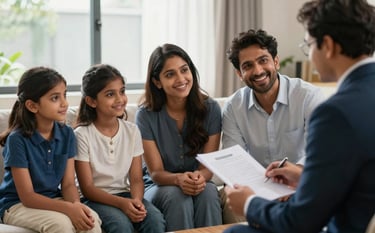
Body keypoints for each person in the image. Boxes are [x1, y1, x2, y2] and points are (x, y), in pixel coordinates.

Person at [224, 0, 375, 232]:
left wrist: (249, 204)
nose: (310, 55)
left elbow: (301, 221)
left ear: (328, 46)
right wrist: (305, 179)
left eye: (309, 45)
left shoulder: (334, 112)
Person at [221, 28, 325, 223]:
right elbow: (233, 160)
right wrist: (257, 193)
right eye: (248, 65)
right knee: (231, 204)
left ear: (275, 61)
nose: (258, 71)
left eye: (263, 60)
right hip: (255, 190)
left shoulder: (307, 97)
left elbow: (319, 153)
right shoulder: (233, 107)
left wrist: (294, 181)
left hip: (301, 184)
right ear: (239, 73)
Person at [0, 67, 102, 233]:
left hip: (54, 199)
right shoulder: (17, 140)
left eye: (65, 95)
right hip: (17, 205)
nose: (64, 103)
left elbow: (68, 184)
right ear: (33, 106)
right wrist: (68, 209)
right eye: (55, 98)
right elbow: (28, 196)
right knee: (61, 225)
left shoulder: (67, 133)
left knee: (91, 221)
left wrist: (76, 206)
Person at [135, 43, 222, 231]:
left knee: (208, 192)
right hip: (158, 186)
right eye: (170, 74)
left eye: (184, 70)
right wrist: (178, 180)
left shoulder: (212, 109)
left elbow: (208, 168)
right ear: (157, 82)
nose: (181, 79)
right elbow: (156, 173)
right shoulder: (145, 115)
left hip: (199, 183)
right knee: (177, 196)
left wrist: (199, 178)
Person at [74, 64, 165, 233]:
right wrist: (122, 204)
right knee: (120, 225)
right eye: (110, 94)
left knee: (155, 220)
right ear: (91, 101)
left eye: (122, 91)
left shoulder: (132, 131)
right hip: (93, 199)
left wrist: (136, 202)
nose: (119, 99)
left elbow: (137, 179)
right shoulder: (81, 135)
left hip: (125, 194)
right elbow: (87, 188)